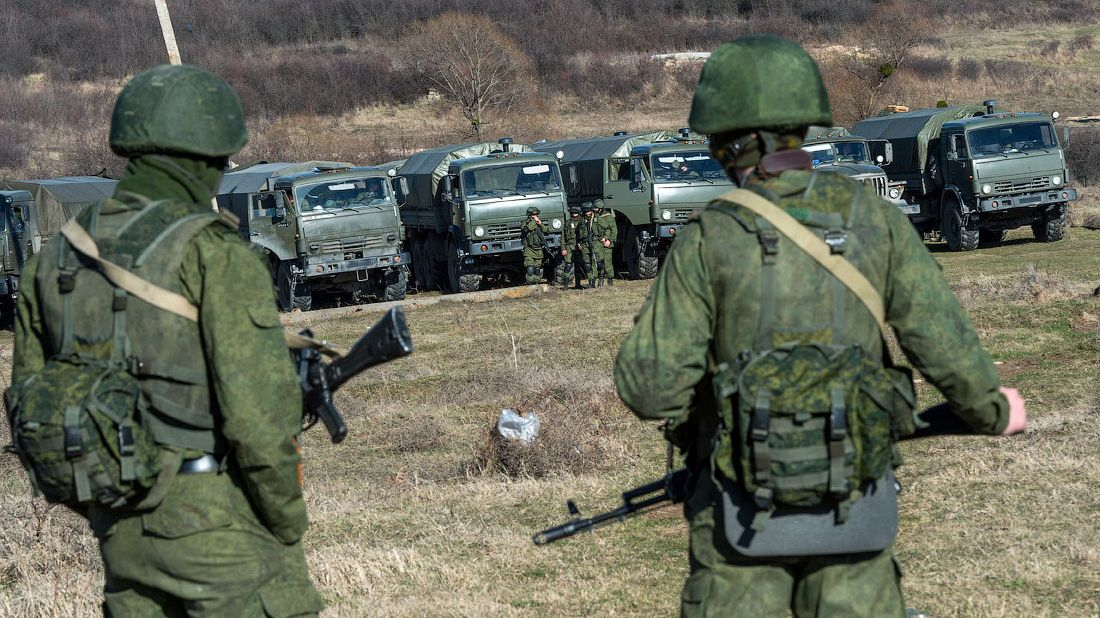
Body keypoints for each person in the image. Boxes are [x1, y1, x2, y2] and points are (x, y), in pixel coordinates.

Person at [613, 35, 1027, 617]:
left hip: (737, 516)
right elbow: (941, 340)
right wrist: (993, 409)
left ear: (725, 142)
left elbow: (648, 388)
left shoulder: (708, 238)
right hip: (852, 501)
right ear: (804, 126)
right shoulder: (874, 219)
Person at [10, 65, 323, 616]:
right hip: (221, 532)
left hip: (120, 536)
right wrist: (286, 522)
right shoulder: (215, 255)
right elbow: (258, 420)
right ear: (205, 158)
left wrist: (112, 503)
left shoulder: (52, 261)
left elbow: (32, 414)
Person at [521, 206, 549, 284]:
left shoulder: (538, 222)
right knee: (530, 267)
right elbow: (526, 230)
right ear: (529, 215)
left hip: (538, 249)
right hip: (529, 249)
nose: (535, 216)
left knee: (537, 267)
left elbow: (546, 231)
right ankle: (530, 283)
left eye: (536, 214)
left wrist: (540, 224)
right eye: (533, 215)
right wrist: (534, 221)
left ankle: (536, 283)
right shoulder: (525, 222)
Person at [592, 199, 617, 286]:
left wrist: (609, 240)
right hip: (597, 243)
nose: (595, 210)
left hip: (607, 243)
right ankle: (600, 279)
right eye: (594, 208)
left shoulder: (609, 217)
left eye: (596, 208)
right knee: (599, 261)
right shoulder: (594, 217)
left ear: (601, 208)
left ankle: (610, 279)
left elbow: (614, 230)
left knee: (607, 262)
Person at [574, 202, 596, 289]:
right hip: (584, 243)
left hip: (595, 243)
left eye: (588, 211)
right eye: (585, 211)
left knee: (595, 262)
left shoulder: (596, 219)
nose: (587, 213)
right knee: (587, 264)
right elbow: (578, 233)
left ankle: (598, 280)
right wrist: (578, 242)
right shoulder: (582, 220)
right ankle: (591, 281)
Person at [560, 205, 580, 289]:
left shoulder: (582, 222)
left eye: (576, 212)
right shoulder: (567, 223)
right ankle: (565, 285)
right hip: (568, 246)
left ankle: (578, 284)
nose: (574, 214)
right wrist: (563, 248)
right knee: (568, 265)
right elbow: (563, 237)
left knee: (578, 265)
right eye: (573, 212)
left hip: (578, 246)